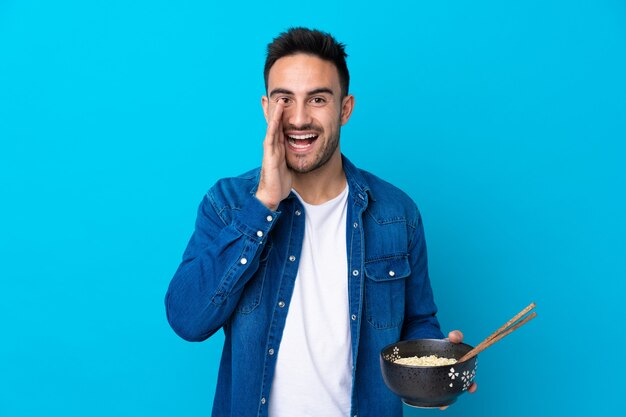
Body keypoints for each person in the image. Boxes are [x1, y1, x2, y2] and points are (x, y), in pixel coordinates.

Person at [165, 27, 476, 417]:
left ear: (345, 108)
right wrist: (263, 204)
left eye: (317, 99)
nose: (298, 119)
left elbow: (417, 321)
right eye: (284, 99)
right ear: (266, 107)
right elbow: (187, 320)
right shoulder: (228, 204)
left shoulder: (397, 213)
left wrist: (437, 361)